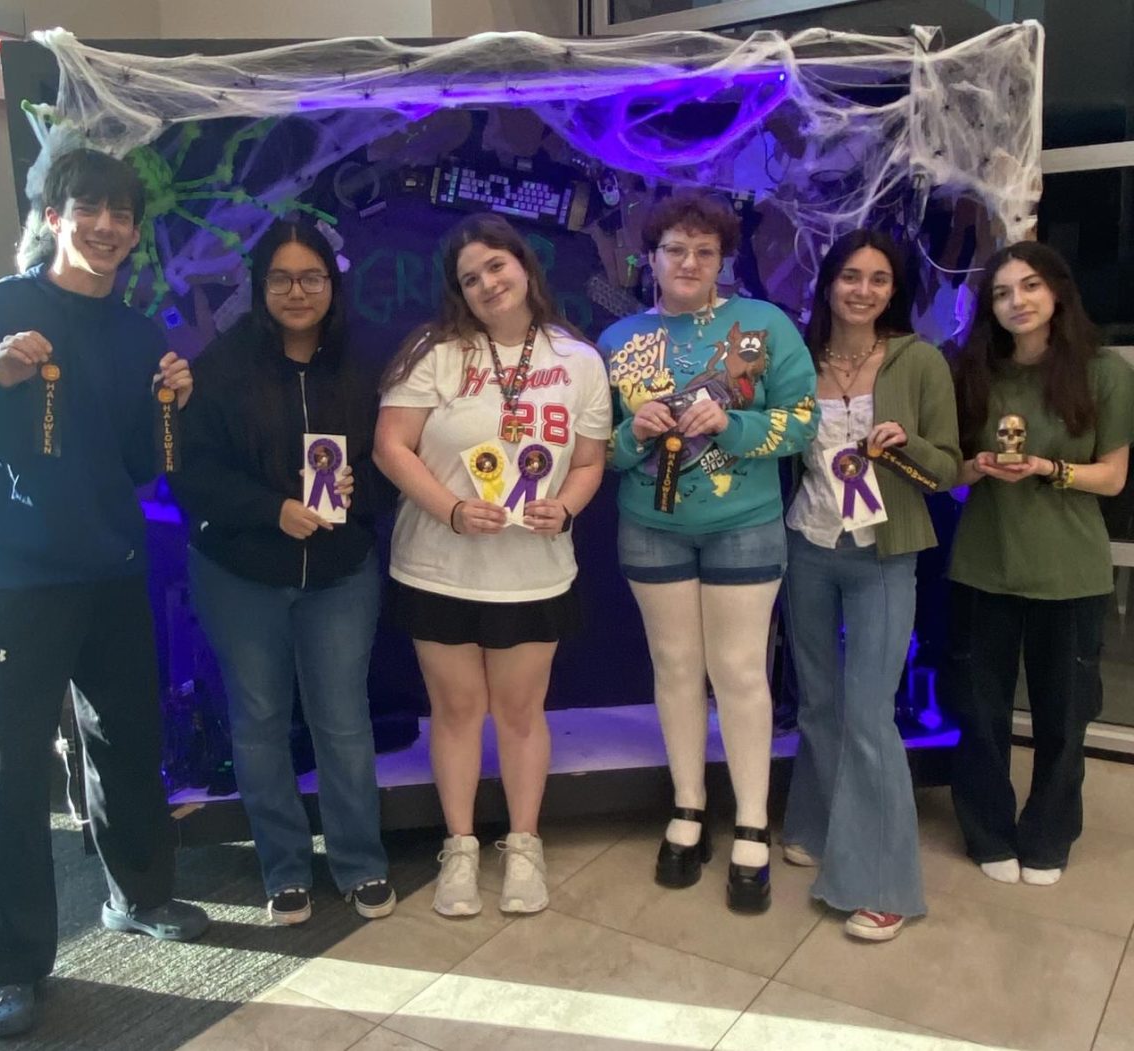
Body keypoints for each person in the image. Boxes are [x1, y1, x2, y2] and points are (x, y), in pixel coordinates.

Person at [0, 148, 208, 1039]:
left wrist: (170, 404)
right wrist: (0, 380)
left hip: (113, 568)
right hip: (17, 576)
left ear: (134, 230)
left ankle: (136, 895)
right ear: (53, 215)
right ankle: (10, 965)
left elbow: (136, 465)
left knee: (126, 741)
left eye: (120, 214)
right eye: (86, 208)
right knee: (14, 769)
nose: (104, 225)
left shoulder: (135, 331)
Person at [373, 214, 611, 917]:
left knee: (519, 711)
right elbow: (392, 446)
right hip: (438, 567)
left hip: (532, 571)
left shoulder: (580, 361)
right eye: (469, 278)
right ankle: (459, 846)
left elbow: (592, 461)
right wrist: (449, 507)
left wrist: (564, 507)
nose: (486, 284)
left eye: (495, 267)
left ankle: (524, 844)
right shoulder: (435, 351)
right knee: (455, 711)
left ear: (526, 266)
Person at [171, 219, 396, 926]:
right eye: (281, 277)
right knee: (260, 723)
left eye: (312, 277)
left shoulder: (368, 361)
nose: (297, 292)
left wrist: (365, 490)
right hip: (240, 574)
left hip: (340, 572)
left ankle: (361, 862)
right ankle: (285, 868)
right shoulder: (219, 366)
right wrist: (273, 509)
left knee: (343, 723)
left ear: (333, 284)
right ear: (258, 284)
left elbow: (398, 459)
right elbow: (191, 476)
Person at [600, 194, 818, 913]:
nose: (687, 262)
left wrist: (734, 422)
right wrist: (635, 434)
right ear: (650, 258)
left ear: (722, 258)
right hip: (649, 524)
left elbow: (801, 421)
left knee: (740, 671)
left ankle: (752, 818)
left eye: (702, 250)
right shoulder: (616, 340)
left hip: (746, 522)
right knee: (675, 668)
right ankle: (689, 806)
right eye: (673, 249)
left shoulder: (765, 325)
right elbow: (592, 450)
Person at [781, 229, 961, 941]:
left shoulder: (919, 362)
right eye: (851, 275)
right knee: (818, 700)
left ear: (895, 290)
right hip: (808, 547)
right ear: (829, 283)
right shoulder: (799, 361)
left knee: (869, 712)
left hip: (886, 554)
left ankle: (885, 883)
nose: (863, 289)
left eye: (879, 279)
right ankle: (819, 824)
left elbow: (947, 467)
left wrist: (906, 445)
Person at [948, 241, 1133, 886]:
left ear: (1057, 291)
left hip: (1070, 574)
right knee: (979, 712)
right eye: (1001, 294)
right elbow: (949, 470)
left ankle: (1049, 836)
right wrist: (977, 468)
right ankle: (988, 830)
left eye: (1028, 287)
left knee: (1064, 716)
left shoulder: (1104, 372)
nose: (1016, 303)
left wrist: (1047, 469)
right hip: (982, 567)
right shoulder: (974, 372)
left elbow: (1112, 478)